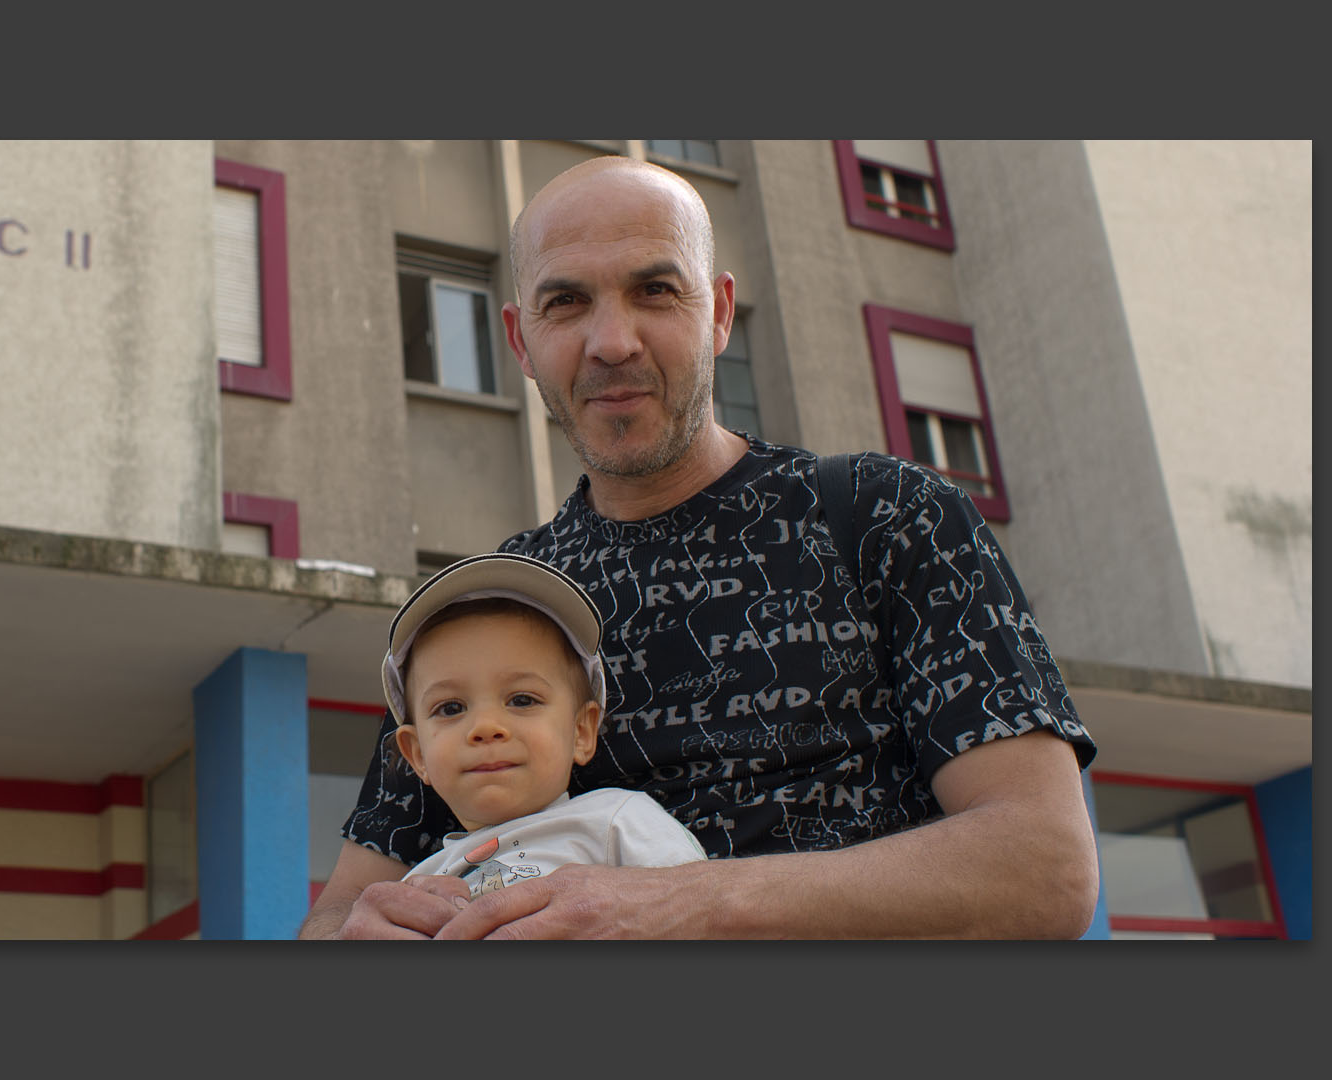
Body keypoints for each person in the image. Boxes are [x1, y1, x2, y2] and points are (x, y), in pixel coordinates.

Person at [300, 154, 1101, 940]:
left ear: (718, 313)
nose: (612, 341)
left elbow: (1044, 869)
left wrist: (681, 904)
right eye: (566, 302)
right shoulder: (498, 601)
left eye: (654, 290)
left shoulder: (888, 517)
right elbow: (341, 911)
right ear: (520, 340)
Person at [383, 552, 706, 897]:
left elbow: (695, 910)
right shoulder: (418, 883)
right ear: (417, 755)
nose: (486, 726)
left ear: (581, 732)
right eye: (450, 708)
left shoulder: (618, 821)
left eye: (522, 700)